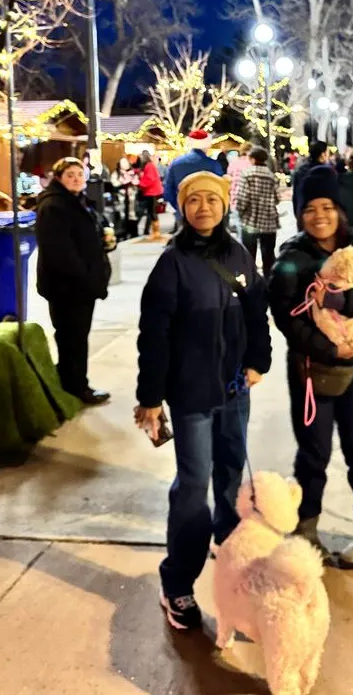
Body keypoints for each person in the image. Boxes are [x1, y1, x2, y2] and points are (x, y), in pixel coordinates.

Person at [134, 170, 272, 631]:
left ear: (224, 203)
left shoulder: (238, 254)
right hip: (191, 394)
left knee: (230, 477)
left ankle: (230, 556)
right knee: (194, 486)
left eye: (211, 199)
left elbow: (256, 311)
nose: (203, 208)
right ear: (182, 207)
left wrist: (259, 361)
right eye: (193, 201)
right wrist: (150, 396)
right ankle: (177, 583)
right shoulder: (172, 263)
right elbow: (154, 334)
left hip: (234, 389)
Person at [269, 165, 353, 569]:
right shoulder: (291, 257)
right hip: (310, 370)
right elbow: (287, 316)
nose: (319, 215)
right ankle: (306, 530)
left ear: (339, 209)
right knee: (313, 453)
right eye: (310, 209)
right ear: (300, 213)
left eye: (327, 206)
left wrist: (343, 303)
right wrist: (325, 347)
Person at [35, 157, 112, 405]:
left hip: (81, 286)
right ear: (58, 178)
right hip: (68, 288)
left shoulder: (78, 202)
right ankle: (76, 387)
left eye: (80, 173)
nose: (77, 178)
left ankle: (73, 381)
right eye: (70, 174)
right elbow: (61, 252)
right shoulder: (55, 206)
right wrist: (86, 277)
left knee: (76, 337)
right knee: (72, 338)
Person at [235, 146, 280, 277]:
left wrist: (240, 212)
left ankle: (251, 282)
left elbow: (242, 199)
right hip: (269, 221)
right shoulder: (271, 176)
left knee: (249, 255)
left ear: (253, 159)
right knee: (268, 256)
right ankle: (268, 283)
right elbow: (276, 198)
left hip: (250, 221)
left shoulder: (247, 174)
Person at [164, 130, 224, 222]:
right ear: (207, 144)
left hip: (183, 212)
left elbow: (168, 192)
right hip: (207, 214)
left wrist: (180, 206)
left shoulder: (175, 164)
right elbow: (220, 191)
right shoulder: (214, 165)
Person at [292, 140, 329, 216]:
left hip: (304, 213)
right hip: (321, 215)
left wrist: (298, 214)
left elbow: (296, 195)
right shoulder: (326, 172)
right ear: (323, 154)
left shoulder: (300, 171)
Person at [227, 140, 253, 236]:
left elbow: (229, 177)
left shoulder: (234, 163)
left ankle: (242, 246)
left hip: (236, 197)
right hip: (250, 198)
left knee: (240, 225)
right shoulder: (253, 163)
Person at [111, 156, 140, 240]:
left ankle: (133, 233)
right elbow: (114, 184)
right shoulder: (116, 173)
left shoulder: (132, 172)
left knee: (132, 215)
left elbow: (137, 182)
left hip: (132, 197)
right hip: (121, 198)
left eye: (125, 163)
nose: (124, 165)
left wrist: (133, 181)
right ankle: (122, 233)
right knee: (122, 216)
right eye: (122, 163)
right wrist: (122, 182)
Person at [135, 150, 163, 239]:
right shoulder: (150, 165)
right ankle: (152, 231)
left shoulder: (149, 166)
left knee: (152, 212)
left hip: (151, 192)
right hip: (152, 191)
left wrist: (139, 183)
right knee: (151, 212)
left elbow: (149, 179)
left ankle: (156, 232)